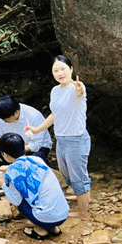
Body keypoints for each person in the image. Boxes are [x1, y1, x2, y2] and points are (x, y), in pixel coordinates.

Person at [26, 55, 91, 215]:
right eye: (56, 70)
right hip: (61, 140)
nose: (60, 73)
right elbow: (55, 115)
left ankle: (84, 216)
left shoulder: (77, 87)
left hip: (76, 140)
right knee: (67, 175)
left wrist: (79, 89)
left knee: (79, 178)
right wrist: (37, 129)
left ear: (71, 69)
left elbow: (79, 92)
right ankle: (82, 198)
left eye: (63, 69)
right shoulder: (55, 91)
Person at [0, 133, 68, 239]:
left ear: (5, 154)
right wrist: (8, 168)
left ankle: (40, 230)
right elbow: (24, 168)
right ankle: (54, 228)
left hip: (46, 218)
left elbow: (15, 200)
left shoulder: (12, 174)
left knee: (21, 204)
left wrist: (3, 185)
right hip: (63, 214)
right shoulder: (37, 160)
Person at [0, 95, 52, 167]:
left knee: (33, 164)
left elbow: (36, 144)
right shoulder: (1, 116)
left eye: (6, 119)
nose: (4, 121)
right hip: (12, 144)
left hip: (35, 147)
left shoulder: (34, 116)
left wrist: (15, 150)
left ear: (16, 113)